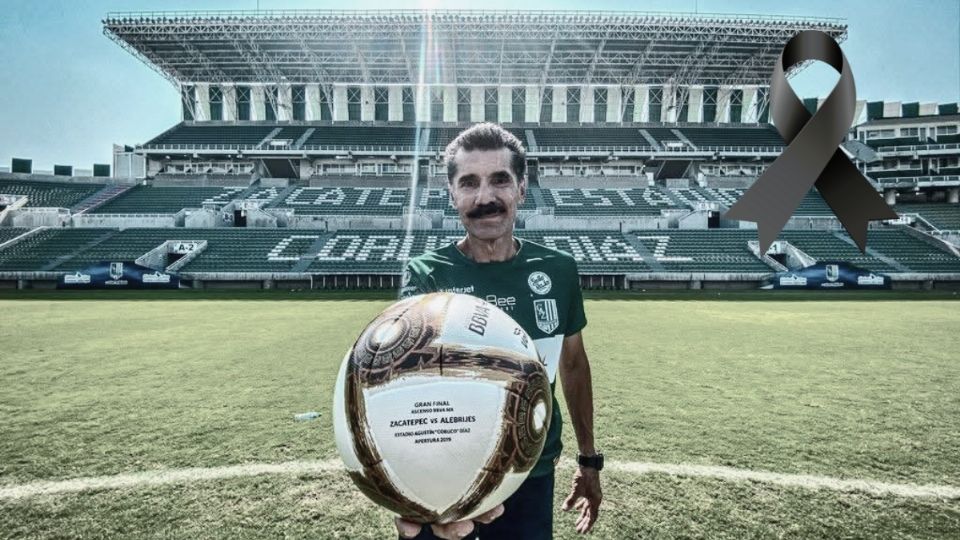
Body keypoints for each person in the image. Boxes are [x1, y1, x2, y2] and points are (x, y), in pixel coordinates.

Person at [395, 123, 602, 540]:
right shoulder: (424, 275)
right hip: (447, 475)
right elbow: (404, 385)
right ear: (451, 194)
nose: (485, 198)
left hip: (531, 468)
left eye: (500, 181)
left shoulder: (558, 270)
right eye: (468, 183)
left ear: (522, 189)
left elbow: (574, 365)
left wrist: (588, 460)